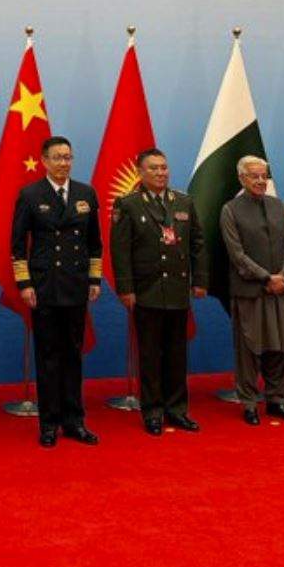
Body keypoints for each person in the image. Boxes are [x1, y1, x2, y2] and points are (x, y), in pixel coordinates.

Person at [10, 136, 102, 448]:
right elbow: (17, 245)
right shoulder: (30, 194)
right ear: (45, 161)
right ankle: (49, 423)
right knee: (48, 356)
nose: (64, 163)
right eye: (58, 157)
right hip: (45, 287)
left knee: (73, 355)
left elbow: (95, 243)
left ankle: (75, 421)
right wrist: (25, 284)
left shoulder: (85, 193)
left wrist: (94, 279)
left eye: (68, 157)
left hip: (75, 285)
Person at [111, 148, 208, 436]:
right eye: (153, 168)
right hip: (146, 290)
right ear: (140, 172)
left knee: (177, 354)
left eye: (163, 167)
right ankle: (152, 412)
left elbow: (198, 243)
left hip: (177, 289)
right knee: (151, 355)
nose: (160, 173)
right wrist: (126, 288)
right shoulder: (128, 204)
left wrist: (200, 280)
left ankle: (177, 410)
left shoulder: (184, 201)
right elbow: (120, 251)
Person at [219, 156, 284, 426]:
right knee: (250, 349)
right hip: (250, 291)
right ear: (241, 178)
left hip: (282, 289)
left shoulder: (278, 205)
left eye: (264, 176)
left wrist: (283, 275)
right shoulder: (230, 210)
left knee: (283, 347)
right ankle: (250, 403)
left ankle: (277, 400)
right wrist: (266, 277)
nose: (260, 181)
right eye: (254, 176)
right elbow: (236, 254)